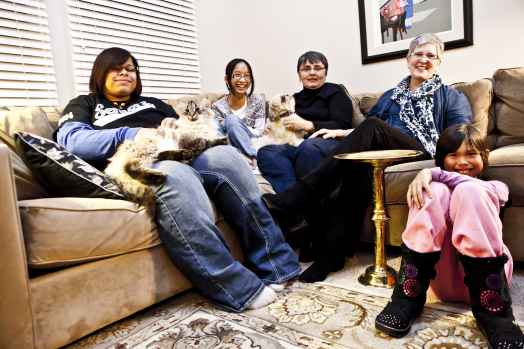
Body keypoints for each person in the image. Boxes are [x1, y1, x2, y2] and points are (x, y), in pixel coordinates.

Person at [55, 47, 300, 312]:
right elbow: (72, 140)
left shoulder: (154, 103)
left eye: (131, 69)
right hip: (144, 161)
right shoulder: (86, 104)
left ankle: (278, 265)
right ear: (100, 73)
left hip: (184, 149)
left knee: (226, 157)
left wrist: (190, 130)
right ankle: (236, 287)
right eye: (117, 68)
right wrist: (131, 133)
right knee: (173, 175)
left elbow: (186, 127)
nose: (125, 73)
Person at [262, 33, 472, 283]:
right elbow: (366, 131)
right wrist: (341, 132)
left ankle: (297, 197)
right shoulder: (391, 95)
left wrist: (437, 167)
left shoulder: (450, 96)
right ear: (408, 59)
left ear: (439, 62)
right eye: (418, 54)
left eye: (431, 56)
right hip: (384, 154)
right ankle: (332, 256)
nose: (424, 60)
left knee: (372, 126)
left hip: (421, 151)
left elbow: (459, 136)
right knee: (355, 169)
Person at [375, 124, 524, 348]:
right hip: (438, 280)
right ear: (442, 159)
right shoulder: (435, 188)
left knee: (469, 190)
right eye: (453, 155)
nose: (462, 162)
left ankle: (496, 317)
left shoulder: (495, 187)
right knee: (433, 190)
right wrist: (431, 180)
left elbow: (477, 188)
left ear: (484, 157)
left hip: (487, 286)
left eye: (471, 154)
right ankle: (407, 299)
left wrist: (431, 172)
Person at [257, 50, 354, 193]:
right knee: (267, 152)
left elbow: (342, 124)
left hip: (329, 143)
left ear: (325, 72)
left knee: (308, 148)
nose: (312, 73)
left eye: (318, 68)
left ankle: (307, 203)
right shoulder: (293, 99)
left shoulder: (335, 92)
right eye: (306, 69)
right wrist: (273, 129)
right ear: (299, 75)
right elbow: (283, 125)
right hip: (299, 144)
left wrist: (308, 125)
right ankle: (293, 199)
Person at [212, 58, 265, 168]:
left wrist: (238, 128)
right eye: (237, 75)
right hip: (231, 149)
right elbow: (219, 138)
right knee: (231, 120)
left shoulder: (258, 101)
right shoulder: (217, 107)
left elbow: (259, 132)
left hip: (253, 143)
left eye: (247, 76)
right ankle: (248, 158)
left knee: (232, 121)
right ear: (227, 79)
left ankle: (250, 157)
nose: (242, 80)